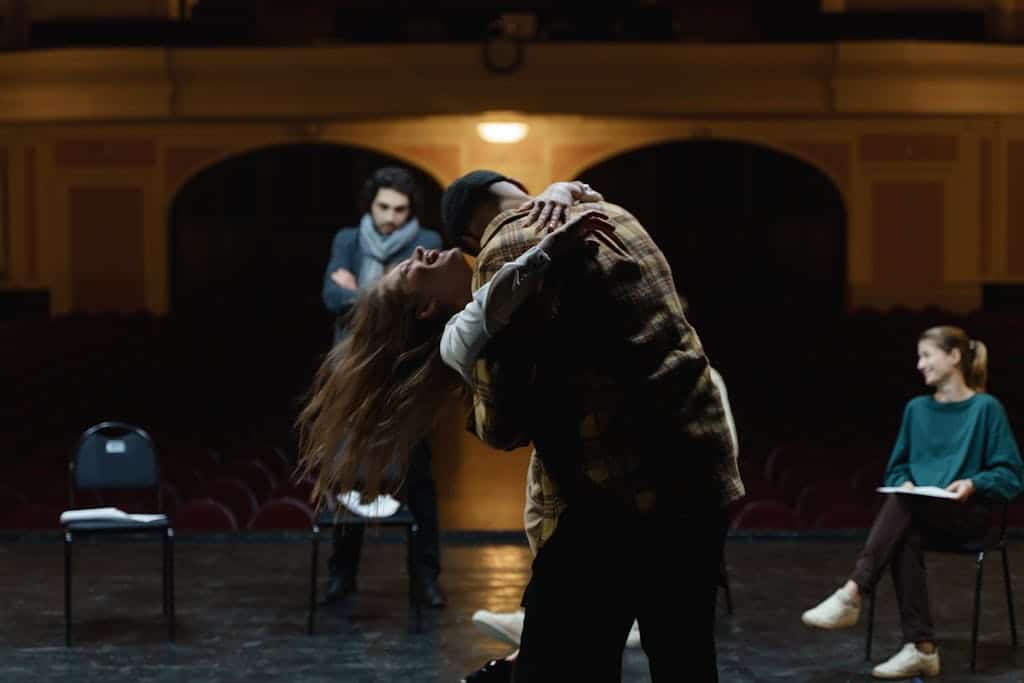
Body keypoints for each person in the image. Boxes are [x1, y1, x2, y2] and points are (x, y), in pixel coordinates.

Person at [296, 169, 744, 681]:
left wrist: (556, 200)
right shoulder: (607, 214)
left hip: (626, 495)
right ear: (423, 306)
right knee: (682, 656)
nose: (422, 254)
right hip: (694, 479)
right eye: (410, 269)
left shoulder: (510, 245)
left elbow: (504, 423)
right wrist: (561, 196)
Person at [800, 325, 1023, 680]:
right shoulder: (916, 409)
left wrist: (974, 482)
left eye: (926, 355)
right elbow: (896, 469)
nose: (919, 365)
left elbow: (1011, 475)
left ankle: (852, 593)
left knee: (905, 512)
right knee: (905, 521)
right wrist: (902, 481)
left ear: (953, 356)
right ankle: (922, 649)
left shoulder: (986, 409)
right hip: (921, 515)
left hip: (968, 515)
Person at [318, 165, 446, 608]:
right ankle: (341, 576)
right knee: (350, 477)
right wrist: (385, 291)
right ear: (370, 206)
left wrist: (361, 292)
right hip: (353, 374)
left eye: (400, 209)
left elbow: (411, 304)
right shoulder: (347, 241)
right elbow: (331, 299)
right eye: (383, 207)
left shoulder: (427, 243)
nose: (391, 217)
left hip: (405, 376)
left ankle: (425, 580)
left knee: (418, 481)